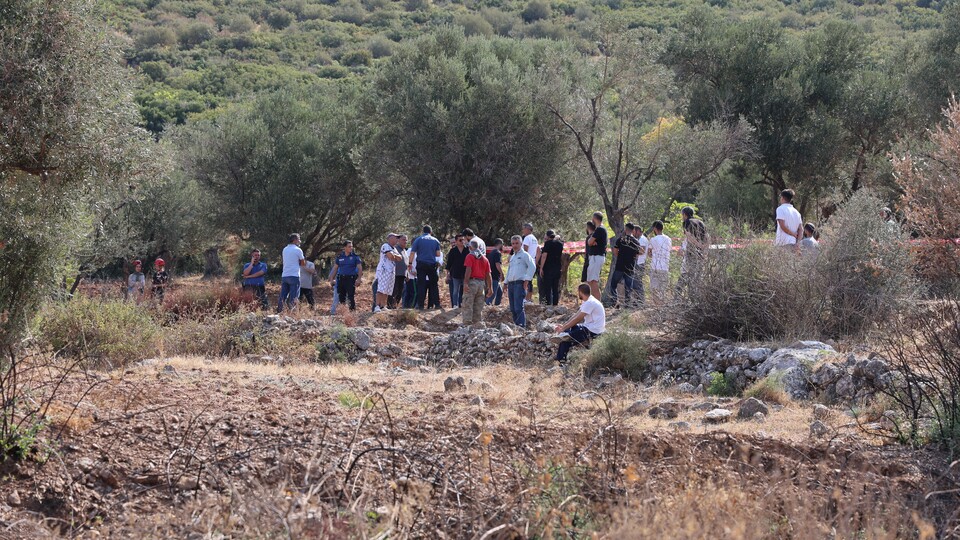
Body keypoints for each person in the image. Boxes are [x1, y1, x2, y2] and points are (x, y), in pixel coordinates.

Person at [552, 283, 606, 365]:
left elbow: (578, 318)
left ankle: (561, 360)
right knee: (567, 330)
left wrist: (563, 329)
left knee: (566, 337)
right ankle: (560, 354)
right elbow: (575, 316)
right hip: (588, 327)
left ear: (580, 292)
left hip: (593, 330)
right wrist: (563, 326)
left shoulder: (590, 303)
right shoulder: (588, 301)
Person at [505, 235, 536, 327]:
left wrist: (527, 279)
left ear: (521, 244)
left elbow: (532, 266)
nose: (515, 245)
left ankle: (521, 327)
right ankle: (516, 326)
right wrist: (505, 283)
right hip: (511, 284)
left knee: (518, 307)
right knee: (513, 308)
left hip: (519, 284)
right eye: (513, 243)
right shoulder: (513, 257)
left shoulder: (525, 255)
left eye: (517, 243)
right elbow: (509, 270)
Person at [462, 239, 493, 326]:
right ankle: (477, 325)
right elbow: (488, 274)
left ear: (470, 247)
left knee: (467, 304)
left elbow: (468, 270)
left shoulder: (470, 256)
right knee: (478, 306)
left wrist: (465, 283)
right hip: (481, 284)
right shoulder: (485, 259)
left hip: (472, 282)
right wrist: (490, 288)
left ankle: (467, 325)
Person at [410, 226, 442, 310]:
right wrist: (430, 253)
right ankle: (437, 304)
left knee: (421, 285)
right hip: (431, 264)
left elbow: (412, 253)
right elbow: (438, 254)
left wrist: (410, 263)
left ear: (422, 231)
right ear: (431, 232)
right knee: (434, 285)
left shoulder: (418, 239)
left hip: (421, 264)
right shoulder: (435, 240)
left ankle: (420, 305)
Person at [609, 223, 640, 307]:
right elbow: (637, 254)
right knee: (628, 287)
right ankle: (627, 304)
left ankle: (615, 302)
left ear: (625, 230)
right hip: (630, 267)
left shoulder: (620, 239)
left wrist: (621, 256)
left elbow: (615, 252)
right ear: (633, 230)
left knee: (613, 285)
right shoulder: (636, 242)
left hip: (620, 266)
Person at [677, 207, 706, 294]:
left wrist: (698, 244)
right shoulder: (701, 222)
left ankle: (678, 297)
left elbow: (689, 236)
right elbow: (707, 237)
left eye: (682, 215)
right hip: (700, 253)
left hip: (691, 252)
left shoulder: (687, 222)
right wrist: (704, 249)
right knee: (696, 277)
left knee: (686, 274)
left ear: (685, 214)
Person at [375, 233, 403, 313]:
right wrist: (394, 256)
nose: (397, 239)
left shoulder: (394, 248)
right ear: (390, 238)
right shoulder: (385, 246)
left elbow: (400, 258)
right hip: (384, 270)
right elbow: (390, 256)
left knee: (387, 289)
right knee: (381, 288)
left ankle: (383, 306)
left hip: (391, 271)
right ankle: (377, 305)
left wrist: (394, 255)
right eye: (396, 237)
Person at [278, 233, 305, 313]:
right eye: (299, 239)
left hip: (285, 275)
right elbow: (303, 263)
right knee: (294, 296)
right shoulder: (298, 250)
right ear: (295, 240)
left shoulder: (285, 249)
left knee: (283, 295)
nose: (300, 241)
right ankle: (292, 312)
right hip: (294, 275)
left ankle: (280, 311)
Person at [647, 221, 672, 302]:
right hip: (665, 267)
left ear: (655, 228)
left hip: (655, 266)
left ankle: (656, 306)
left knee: (654, 288)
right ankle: (662, 306)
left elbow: (649, 253)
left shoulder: (653, 239)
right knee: (662, 289)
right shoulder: (668, 239)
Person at [586, 212, 608, 300]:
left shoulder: (600, 229)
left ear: (594, 219)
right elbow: (591, 241)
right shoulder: (599, 230)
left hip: (597, 257)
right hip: (594, 257)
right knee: (590, 281)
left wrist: (592, 241)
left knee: (593, 281)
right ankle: (592, 301)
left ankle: (598, 304)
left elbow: (590, 242)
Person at [538, 230, 564, 306]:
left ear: (548, 236)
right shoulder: (560, 244)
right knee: (555, 287)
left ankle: (548, 304)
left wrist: (541, 268)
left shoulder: (548, 244)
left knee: (548, 287)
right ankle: (555, 304)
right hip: (557, 267)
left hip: (548, 268)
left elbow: (544, 256)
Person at [446, 235, 467, 308]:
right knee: (455, 290)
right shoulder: (453, 251)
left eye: (463, 240)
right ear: (456, 241)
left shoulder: (467, 250)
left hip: (466, 274)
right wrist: (448, 274)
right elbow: (449, 264)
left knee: (465, 290)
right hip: (455, 273)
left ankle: (464, 304)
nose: (462, 241)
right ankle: (455, 304)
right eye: (460, 240)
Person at [632, 225, 650, 304]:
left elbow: (642, 251)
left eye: (634, 232)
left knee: (638, 282)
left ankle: (641, 301)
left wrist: (631, 253)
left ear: (638, 231)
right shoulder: (640, 239)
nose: (633, 234)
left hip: (640, 263)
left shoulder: (642, 239)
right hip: (638, 262)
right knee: (636, 282)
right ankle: (638, 300)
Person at [521, 223, 539, 302]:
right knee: (530, 280)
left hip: (526, 262)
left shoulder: (527, 238)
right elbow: (539, 251)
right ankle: (529, 298)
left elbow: (525, 250)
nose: (523, 230)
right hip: (532, 261)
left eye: (524, 229)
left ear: (528, 229)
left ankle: (525, 298)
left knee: (525, 280)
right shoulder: (535, 239)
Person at [389, 234, 408, 308]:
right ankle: (390, 306)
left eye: (406, 240)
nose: (405, 241)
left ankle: (395, 306)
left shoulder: (404, 250)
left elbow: (406, 263)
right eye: (403, 239)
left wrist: (407, 275)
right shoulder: (395, 249)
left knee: (400, 292)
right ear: (398, 240)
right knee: (394, 291)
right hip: (395, 274)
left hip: (402, 275)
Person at [486, 238, 505, 306]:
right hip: (494, 276)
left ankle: (497, 305)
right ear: (500, 244)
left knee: (499, 292)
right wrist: (502, 274)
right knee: (492, 294)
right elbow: (497, 265)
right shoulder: (497, 253)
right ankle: (487, 306)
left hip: (491, 275)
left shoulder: (492, 252)